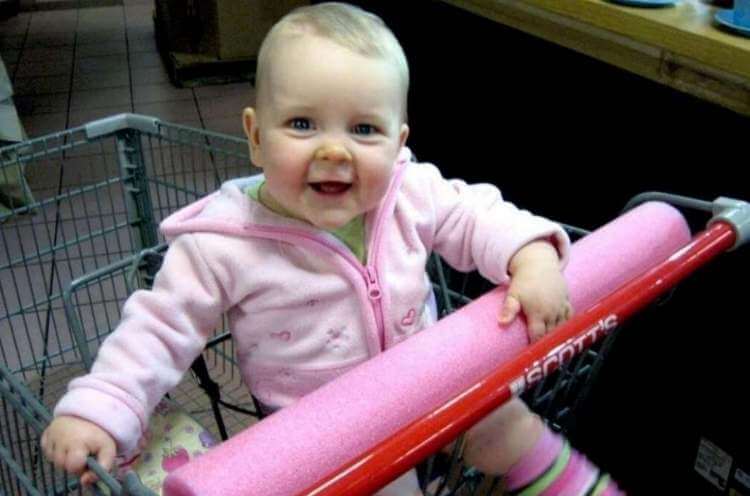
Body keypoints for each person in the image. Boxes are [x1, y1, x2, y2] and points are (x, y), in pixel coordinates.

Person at [42, 3, 621, 494]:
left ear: (399, 144)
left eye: (363, 130)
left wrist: (531, 256)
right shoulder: (221, 244)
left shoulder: (408, 191)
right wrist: (99, 408)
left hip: (431, 379)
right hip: (329, 433)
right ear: (254, 136)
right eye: (302, 124)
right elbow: (156, 330)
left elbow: (475, 214)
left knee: (504, 421)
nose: (334, 151)